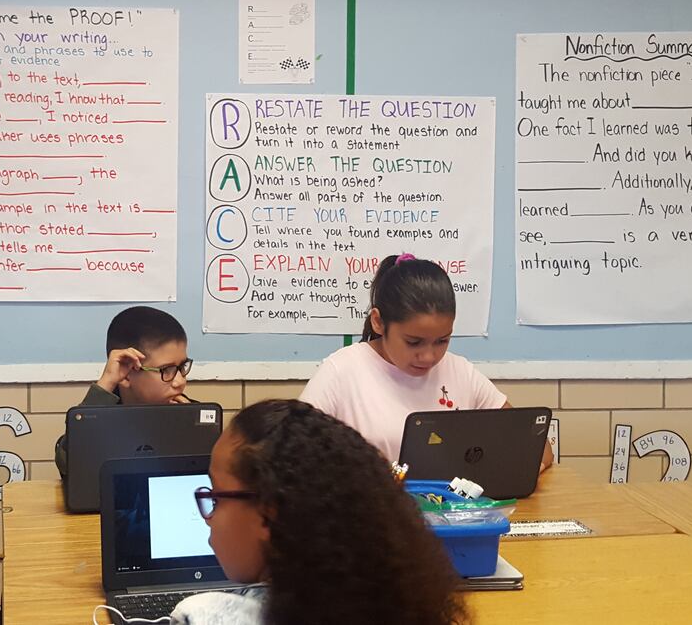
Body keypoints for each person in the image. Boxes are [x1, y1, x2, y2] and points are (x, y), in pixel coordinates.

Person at [171, 399, 466, 625]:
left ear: (268, 514)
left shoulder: (203, 615)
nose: (208, 516)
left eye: (216, 496)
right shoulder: (399, 603)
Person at [301, 254, 554, 469]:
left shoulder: (460, 372)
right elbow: (290, 461)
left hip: (453, 519)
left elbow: (539, 451)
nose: (429, 357)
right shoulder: (341, 371)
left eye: (442, 341)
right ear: (378, 322)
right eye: (413, 342)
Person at [54, 306, 192, 478]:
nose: (180, 382)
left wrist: (192, 427)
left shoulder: (189, 412)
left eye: (182, 367)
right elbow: (69, 465)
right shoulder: (98, 417)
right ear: (127, 373)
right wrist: (105, 384)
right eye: (166, 369)